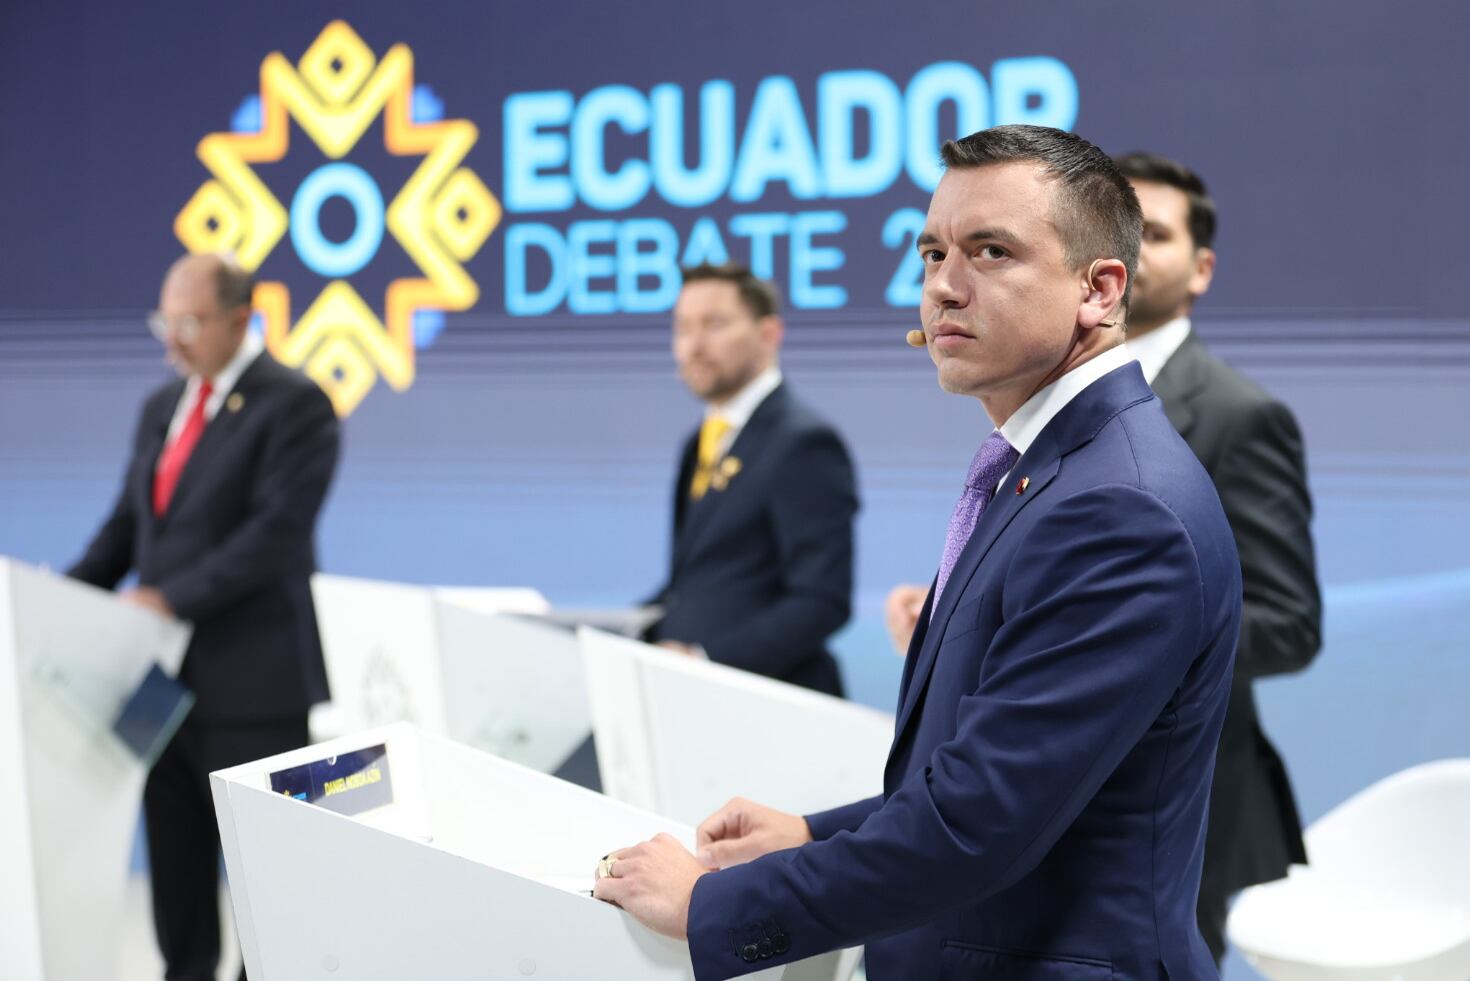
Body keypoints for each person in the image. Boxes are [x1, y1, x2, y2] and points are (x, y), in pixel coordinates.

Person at [592, 125, 1242, 981]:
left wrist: (711, 906)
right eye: (933, 253)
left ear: (1101, 288)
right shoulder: (1041, 470)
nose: (944, 286)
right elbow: (984, 772)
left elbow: (978, 822)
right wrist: (815, 833)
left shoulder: (1119, 508)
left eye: (990, 251)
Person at [68, 252, 339, 981]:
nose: (172, 340)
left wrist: (170, 596)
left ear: (240, 319)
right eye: (165, 320)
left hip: (254, 684)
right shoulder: (162, 407)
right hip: (158, 683)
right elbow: (129, 525)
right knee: (177, 877)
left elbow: (273, 536)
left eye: (188, 322)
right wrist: (60, 595)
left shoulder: (297, 404)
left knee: (265, 885)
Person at [1113, 151, 1321, 961]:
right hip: (1051, 789)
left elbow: (1290, 624)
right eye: (1113, 228)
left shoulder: (1241, 417)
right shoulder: (1038, 400)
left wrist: (1128, 637)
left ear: (1201, 268)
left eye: (1153, 234)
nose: (1128, 249)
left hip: (1181, 803)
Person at [643, 262, 858, 696]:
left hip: (770, 712)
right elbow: (697, 583)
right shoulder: (698, 443)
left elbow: (821, 602)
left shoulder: (804, 443)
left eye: (714, 325)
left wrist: (704, 659)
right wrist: (625, 631)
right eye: (682, 328)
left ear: (769, 333)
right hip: (695, 703)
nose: (694, 346)